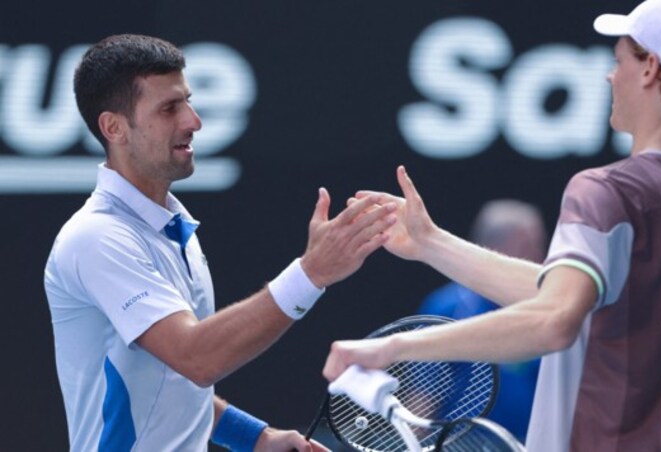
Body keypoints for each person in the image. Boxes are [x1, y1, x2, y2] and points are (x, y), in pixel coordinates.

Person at [323, 1, 661, 451]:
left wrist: (393, 349)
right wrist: (431, 243)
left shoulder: (606, 192)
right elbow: (571, 296)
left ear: (649, 68)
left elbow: (554, 319)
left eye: (618, 61)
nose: (611, 77)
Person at [43, 34, 396, 451]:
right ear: (114, 127)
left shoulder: (172, 229)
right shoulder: (98, 238)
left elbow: (166, 383)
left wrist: (257, 438)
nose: (193, 121)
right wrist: (311, 273)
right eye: (169, 108)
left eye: (187, 102)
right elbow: (196, 359)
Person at [417, 199, 547, 441]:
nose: (539, 256)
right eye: (528, 246)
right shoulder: (446, 308)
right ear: (492, 250)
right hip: (464, 446)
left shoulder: (549, 308)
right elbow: (423, 397)